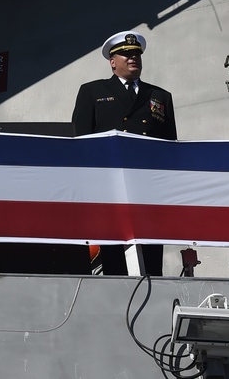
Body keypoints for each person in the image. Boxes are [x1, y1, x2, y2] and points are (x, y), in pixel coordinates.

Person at [72, 30, 176, 276]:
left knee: (151, 253)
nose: (133, 59)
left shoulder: (160, 96)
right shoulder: (92, 92)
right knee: (114, 254)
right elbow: (82, 143)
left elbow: (169, 146)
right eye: (126, 54)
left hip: (147, 187)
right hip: (110, 186)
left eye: (136, 55)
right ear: (112, 62)